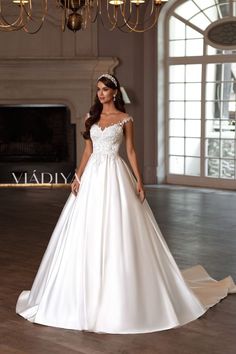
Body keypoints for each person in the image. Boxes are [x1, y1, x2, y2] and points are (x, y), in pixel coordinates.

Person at [16, 74, 236, 334]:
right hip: (93, 178)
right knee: (86, 229)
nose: (100, 93)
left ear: (115, 92)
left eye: (105, 89)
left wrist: (140, 182)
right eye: (98, 89)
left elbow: (130, 151)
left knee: (118, 228)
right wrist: (78, 176)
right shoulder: (91, 117)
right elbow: (87, 151)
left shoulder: (125, 119)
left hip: (115, 175)